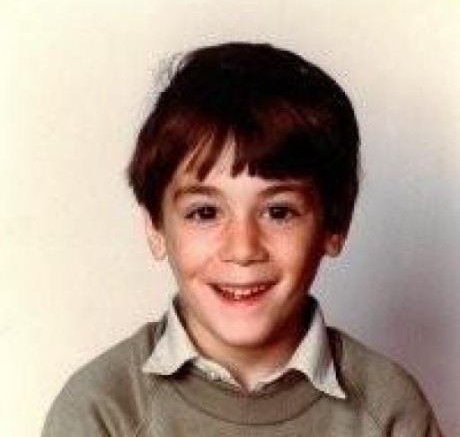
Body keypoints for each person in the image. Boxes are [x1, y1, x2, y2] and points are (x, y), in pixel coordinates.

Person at [42, 42, 443, 436]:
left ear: (334, 225)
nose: (243, 249)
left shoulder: (388, 409)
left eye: (279, 212)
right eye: (205, 213)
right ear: (156, 228)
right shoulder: (103, 410)